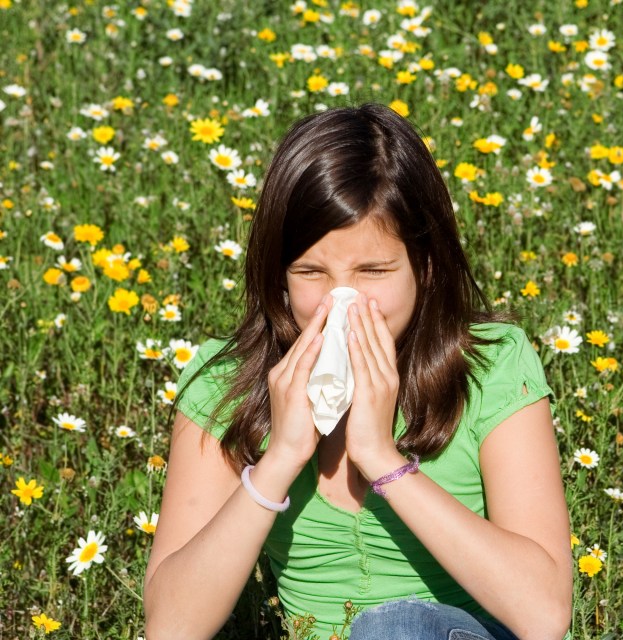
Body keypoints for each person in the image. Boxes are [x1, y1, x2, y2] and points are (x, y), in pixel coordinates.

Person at [142, 103, 572, 640]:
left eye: (374, 271)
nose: (342, 301)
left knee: (401, 627)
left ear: (426, 265)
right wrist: (279, 460)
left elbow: (545, 615)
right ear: (279, 276)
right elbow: (171, 628)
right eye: (311, 272)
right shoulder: (225, 383)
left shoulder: (491, 364)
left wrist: (381, 459)